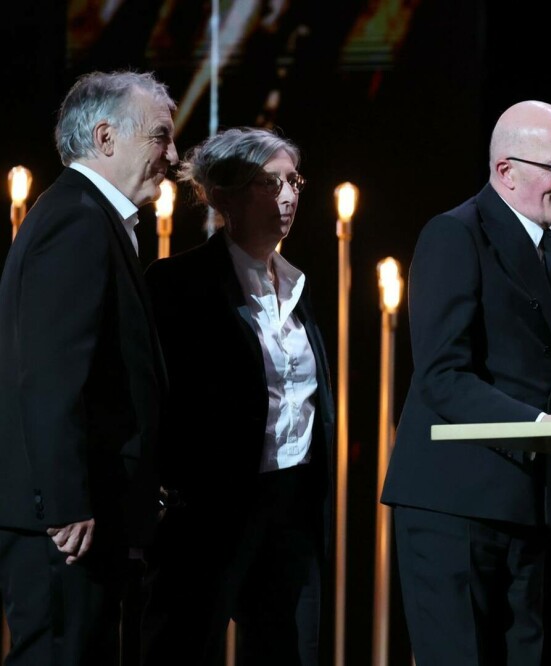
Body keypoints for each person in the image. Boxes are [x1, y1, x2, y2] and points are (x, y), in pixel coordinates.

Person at [380, 100, 551, 665]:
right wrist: (541, 428)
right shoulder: (455, 235)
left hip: (526, 504)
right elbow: (442, 376)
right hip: (453, 506)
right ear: (506, 172)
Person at [139, 127, 334, 665]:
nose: (289, 196)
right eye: (269, 184)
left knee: (289, 652)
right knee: (180, 648)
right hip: (210, 513)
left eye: (293, 180)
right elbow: (157, 401)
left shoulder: (296, 284)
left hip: (291, 507)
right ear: (224, 195)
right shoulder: (179, 283)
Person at [0, 69, 176, 665]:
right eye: (160, 137)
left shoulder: (92, 218)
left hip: (90, 518)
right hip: (67, 527)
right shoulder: (77, 218)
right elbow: (49, 374)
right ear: (105, 138)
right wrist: (69, 501)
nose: (173, 157)